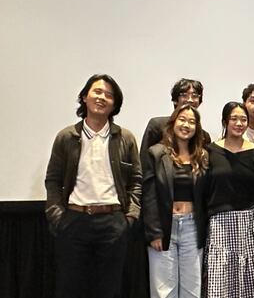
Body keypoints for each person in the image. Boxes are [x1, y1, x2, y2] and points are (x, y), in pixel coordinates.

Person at [44, 74, 142, 298]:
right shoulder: (67, 137)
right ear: (84, 97)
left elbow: (136, 180)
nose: (102, 97)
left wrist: (130, 218)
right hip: (74, 220)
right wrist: (57, 216)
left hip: (113, 222)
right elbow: (53, 180)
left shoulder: (125, 138)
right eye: (97, 92)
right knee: (71, 288)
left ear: (115, 104)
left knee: (110, 290)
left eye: (109, 95)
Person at [142, 104, 209, 297]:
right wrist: (154, 232)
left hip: (192, 228)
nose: (186, 125)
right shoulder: (156, 153)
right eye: (182, 120)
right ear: (173, 123)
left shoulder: (202, 156)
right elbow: (149, 195)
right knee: (164, 291)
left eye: (191, 122)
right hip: (164, 227)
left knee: (192, 290)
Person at [204, 102, 254, 297]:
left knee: (248, 281)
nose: (239, 123)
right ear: (225, 121)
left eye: (243, 119)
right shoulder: (209, 151)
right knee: (220, 281)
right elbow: (204, 191)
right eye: (234, 119)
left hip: (248, 224)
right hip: (219, 225)